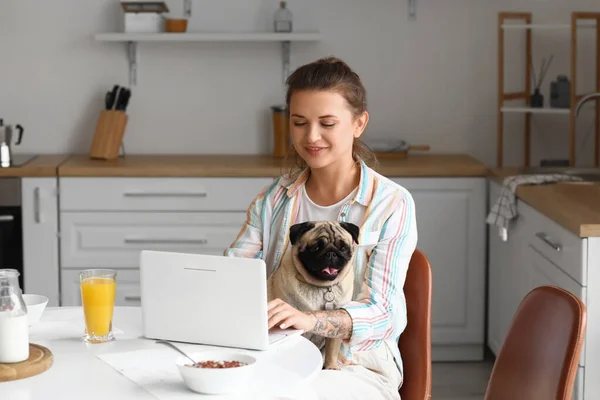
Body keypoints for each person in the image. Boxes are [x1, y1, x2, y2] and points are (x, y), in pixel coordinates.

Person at [224, 56, 418, 400]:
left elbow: (384, 314)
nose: (311, 136)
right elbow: (234, 277)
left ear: (359, 123)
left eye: (327, 123)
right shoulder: (272, 200)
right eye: (299, 123)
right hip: (275, 354)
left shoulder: (390, 204)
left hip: (354, 364)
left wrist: (309, 320)